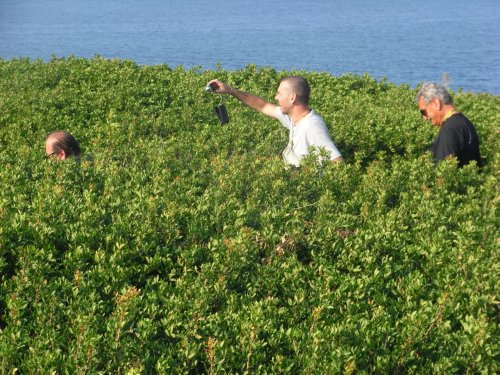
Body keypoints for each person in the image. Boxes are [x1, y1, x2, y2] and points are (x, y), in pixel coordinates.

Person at [207, 76, 343, 167]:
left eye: (279, 93)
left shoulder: (313, 126)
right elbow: (263, 105)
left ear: (292, 98)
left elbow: (338, 164)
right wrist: (230, 90)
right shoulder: (293, 118)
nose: (276, 97)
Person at [416, 83, 481, 167]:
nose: (425, 118)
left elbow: (443, 172)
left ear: (436, 103)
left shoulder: (449, 131)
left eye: (423, 112)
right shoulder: (465, 123)